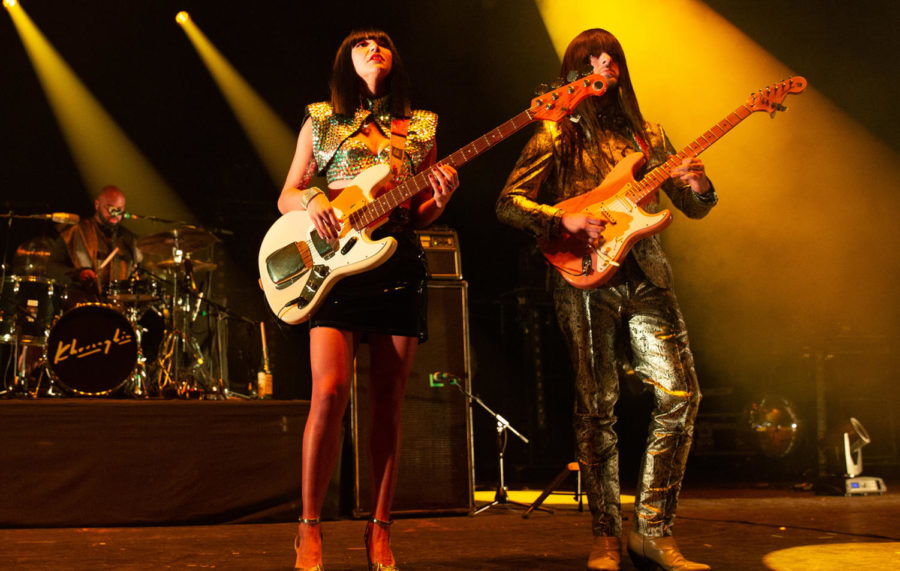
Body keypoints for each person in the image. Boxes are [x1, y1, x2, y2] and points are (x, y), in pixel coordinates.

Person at [496, 29, 715, 571]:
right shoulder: (556, 132)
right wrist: (559, 217)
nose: (603, 63)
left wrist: (699, 185)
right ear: (575, 73)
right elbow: (507, 203)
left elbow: (693, 209)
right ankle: (605, 537)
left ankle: (654, 530)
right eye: (592, 57)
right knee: (597, 408)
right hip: (584, 279)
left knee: (681, 395)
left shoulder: (649, 135)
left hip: (647, 277)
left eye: (611, 56)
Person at [277, 28, 459, 571]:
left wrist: (439, 201)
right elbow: (287, 192)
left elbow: (419, 212)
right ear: (345, 62)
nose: (374, 46)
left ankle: (380, 530)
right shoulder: (321, 118)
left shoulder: (421, 126)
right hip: (335, 266)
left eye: (382, 41)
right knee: (328, 393)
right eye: (361, 43)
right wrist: (311, 203)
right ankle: (309, 528)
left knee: (389, 403)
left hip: (398, 262)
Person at [49, 185, 142, 308]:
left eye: (120, 210)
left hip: (118, 309)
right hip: (81, 305)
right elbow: (51, 268)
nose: (115, 214)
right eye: (110, 208)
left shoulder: (129, 240)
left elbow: (139, 275)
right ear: (97, 205)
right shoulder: (75, 231)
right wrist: (78, 274)